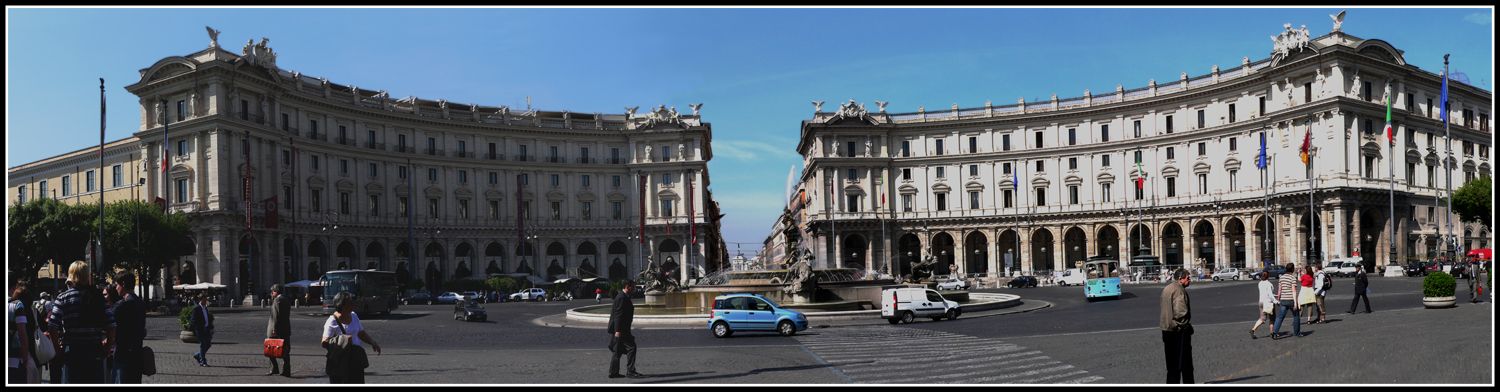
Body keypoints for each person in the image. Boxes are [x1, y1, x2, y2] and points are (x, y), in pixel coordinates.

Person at [47, 261, 114, 383]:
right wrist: (107, 347)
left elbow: (52, 326)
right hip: (94, 351)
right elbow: (111, 326)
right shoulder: (98, 297)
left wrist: (58, 351)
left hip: (72, 351)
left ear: (71, 276)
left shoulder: (63, 298)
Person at [322, 291, 381, 384]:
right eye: (350, 303)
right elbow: (324, 342)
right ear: (342, 305)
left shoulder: (353, 315)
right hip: (340, 362)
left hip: (355, 360)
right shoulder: (332, 321)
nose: (353, 304)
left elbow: (361, 333)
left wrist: (372, 342)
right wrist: (343, 340)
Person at [109, 272, 146, 384]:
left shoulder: (122, 305)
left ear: (123, 284)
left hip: (122, 353)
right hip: (137, 353)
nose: (116, 288)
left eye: (117, 285)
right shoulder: (140, 302)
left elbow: (110, 325)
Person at [1159, 268, 1193, 384]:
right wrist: (1185, 326)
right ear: (1180, 279)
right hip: (1178, 331)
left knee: (1171, 365)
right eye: (1187, 278)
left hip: (1166, 329)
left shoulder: (1167, 288)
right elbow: (1180, 313)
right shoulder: (1179, 291)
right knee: (1185, 364)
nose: (1190, 280)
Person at [607, 280, 643, 379]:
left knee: (617, 351)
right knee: (631, 347)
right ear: (628, 287)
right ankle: (630, 371)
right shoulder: (621, 298)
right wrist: (617, 331)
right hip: (621, 329)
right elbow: (618, 315)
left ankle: (613, 372)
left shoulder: (623, 296)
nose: (635, 289)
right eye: (633, 287)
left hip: (622, 329)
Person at [9, 279, 38, 384]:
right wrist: (25, 357)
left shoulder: (14, 307)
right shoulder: (30, 310)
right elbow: (24, 335)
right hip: (24, 357)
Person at [1271, 263, 1304, 339]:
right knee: (1296, 316)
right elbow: (1294, 291)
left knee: (1280, 317)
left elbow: (1279, 289)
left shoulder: (1281, 278)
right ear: (1292, 269)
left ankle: (1275, 333)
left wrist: (1278, 299)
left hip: (1283, 299)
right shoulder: (1292, 278)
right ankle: (1297, 333)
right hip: (1291, 300)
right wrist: (1296, 303)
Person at [266, 283, 292, 377]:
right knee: (285, 350)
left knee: (270, 348)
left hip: (276, 329)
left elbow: (276, 316)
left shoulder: (277, 300)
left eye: (272, 291)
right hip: (285, 328)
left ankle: (274, 368)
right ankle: (286, 370)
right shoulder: (286, 299)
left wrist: (274, 329)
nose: (271, 293)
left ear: (275, 291)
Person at [188, 294, 214, 367]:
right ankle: (203, 361)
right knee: (203, 345)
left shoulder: (205, 308)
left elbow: (207, 319)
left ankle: (197, 355)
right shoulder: (196, 309)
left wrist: (210, 327)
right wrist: (197, 329)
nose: (206, 301)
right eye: (204, 299)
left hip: (206, 330)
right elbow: (193, 320)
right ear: (200, 300)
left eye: (206, 299)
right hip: (200, 330)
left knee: (208, 344)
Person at [1249, 271, 1276, 339]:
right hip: (1268, 302)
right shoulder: (1269, 284)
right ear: (1268, 276)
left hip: (1261, 302)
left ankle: (1253, 329)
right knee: (1272, 318)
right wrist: (1276, 301)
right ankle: (1272, 333)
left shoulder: (1260, 283)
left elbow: (1265, 293)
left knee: (1262, 318)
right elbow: (1270, 294)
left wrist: (1275, 295)